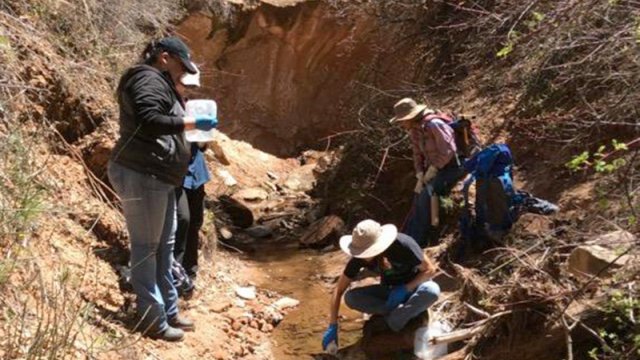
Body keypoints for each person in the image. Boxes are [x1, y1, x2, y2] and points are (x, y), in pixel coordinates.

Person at [108, 37, 216, 341]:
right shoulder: (146, 77)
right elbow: (148, 119)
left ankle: (168, 311)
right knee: (146, 248)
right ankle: (151, 319)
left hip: (159, 176)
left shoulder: (159, 82)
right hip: (142, 173)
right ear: (165, 57)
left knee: (165, 247)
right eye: (181, 65)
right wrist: (190, 122)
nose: (183, 72)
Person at [321, 219, 440, 352]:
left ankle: (392, 321)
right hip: (389, 293)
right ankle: (397, 314)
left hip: (414, 289)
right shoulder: (359, 258)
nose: (364, 256)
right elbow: (339, 289)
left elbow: (430, 270)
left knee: (432, 291)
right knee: (351, 298)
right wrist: (333, 325)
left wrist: (406, 288)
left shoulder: (403, 244)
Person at [390, 98, 467, 247]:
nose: (401, 124)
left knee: (427, 194)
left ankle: (415, 242)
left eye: (402, 120)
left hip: (454, 167)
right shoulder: (415, 129)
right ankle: (405, 239)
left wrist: (433, 169)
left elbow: (448, 151)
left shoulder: (434, 125)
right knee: (418, 195)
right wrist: (419, 173)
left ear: (411, 117)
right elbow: (417, 153)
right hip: (436, 169)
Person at [174, 66, 211, 291]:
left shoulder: (194, 107)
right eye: (189, 85)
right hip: (179, 173)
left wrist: (204, 135)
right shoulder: (171, 106)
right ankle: (176, 271)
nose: (191, 90)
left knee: (195, 221)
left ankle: (190, 270)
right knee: (182, 221)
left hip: (196, 172)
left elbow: (203, 146)